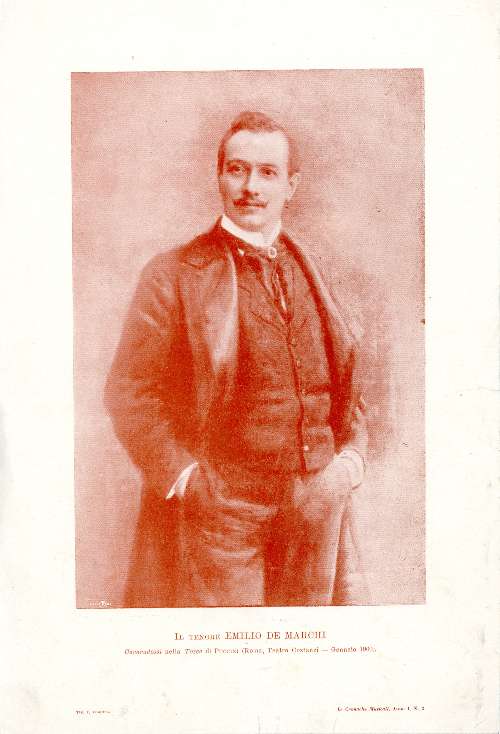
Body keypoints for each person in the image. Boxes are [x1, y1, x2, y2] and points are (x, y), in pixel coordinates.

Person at [105, 110, 377, 608]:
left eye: (267, 172)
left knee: (313, 647)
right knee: (225, 650)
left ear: (291, 185)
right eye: (237, 169)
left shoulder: (320, 271)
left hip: (318, 507)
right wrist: (187, 480)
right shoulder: (174, 275)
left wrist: (351, 461)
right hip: (222, 516)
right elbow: (130, 393)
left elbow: (349, 382)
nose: (251, 187)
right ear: (219, 176)